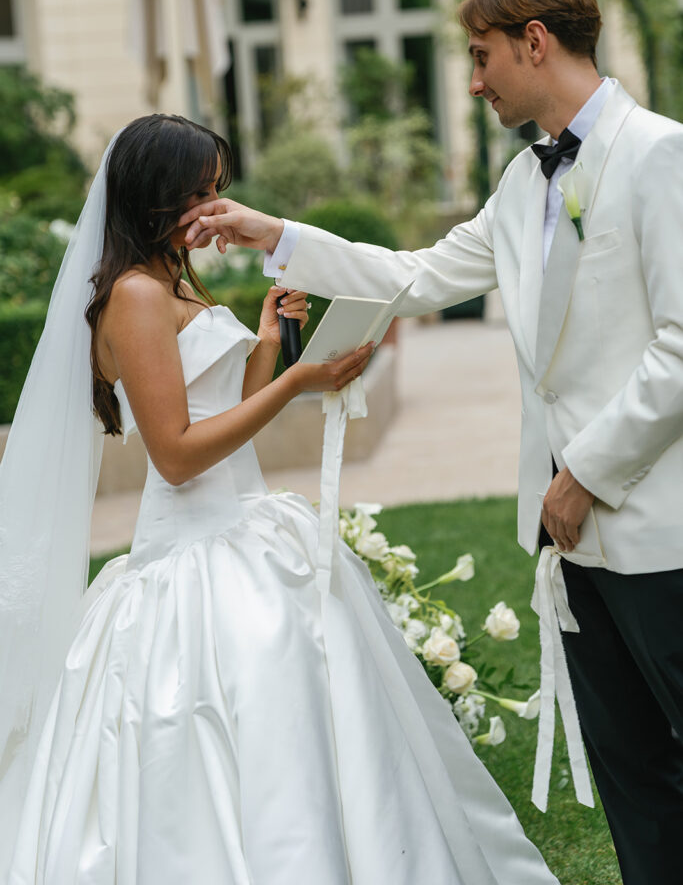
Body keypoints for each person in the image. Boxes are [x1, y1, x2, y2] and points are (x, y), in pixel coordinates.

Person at [183, 0, 683, 885]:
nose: (473, 79)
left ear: (535, 41)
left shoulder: (661, 154)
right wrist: (274, 235)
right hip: (568, 541)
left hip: (658, 529)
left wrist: (584, 475)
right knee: (630, 778)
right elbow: (417, 276)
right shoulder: (519, 181)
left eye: (481, 55)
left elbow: (680, 346)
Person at [0, 114, 560, 884]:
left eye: (217, 190)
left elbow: (221, 417)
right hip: (191, 551)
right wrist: (299, 381)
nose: (211, 206)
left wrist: (266, 347)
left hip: (245, 525)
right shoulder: (133, 294)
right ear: (154, 194)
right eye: (197, 191)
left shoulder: (169, 279)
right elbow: (176, 455)